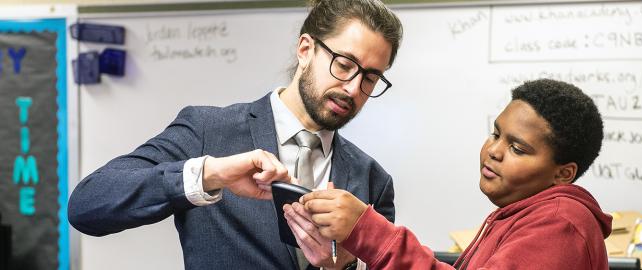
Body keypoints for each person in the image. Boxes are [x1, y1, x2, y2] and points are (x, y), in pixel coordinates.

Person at [68, 0, 403, 269]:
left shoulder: (372, 179)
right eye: (344, 65)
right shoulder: (207, 131)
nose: (353, 88)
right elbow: (88, 205)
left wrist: (345, 267)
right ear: (305, 50)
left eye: (371, 78)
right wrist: (209, 175)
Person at [285, 79, 613, 269]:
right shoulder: (521, 214)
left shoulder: (561, 225)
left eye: (518, 148)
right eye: (496, 133)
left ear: (563, 173)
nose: (494, 150)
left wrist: (370, 232)